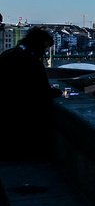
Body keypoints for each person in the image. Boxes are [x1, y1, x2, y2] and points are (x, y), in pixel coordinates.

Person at [1, 28, 61, 160]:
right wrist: (57, 92)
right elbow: (43, 91)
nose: (46, 52)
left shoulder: (9, 54)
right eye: (46, 49)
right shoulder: (32, 61)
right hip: (19, 117)